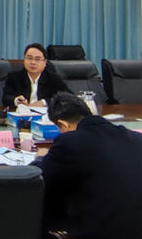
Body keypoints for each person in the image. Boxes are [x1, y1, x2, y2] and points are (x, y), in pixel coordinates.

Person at [32, 92, 142, 239]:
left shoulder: (70, 142)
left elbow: (36, 176)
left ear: (63, 124)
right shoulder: (136, 139)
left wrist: (40, 158)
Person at [2, 42, 71, 108]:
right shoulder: (14, 77)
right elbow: (6, 98)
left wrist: (44, 102)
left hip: (46, 114)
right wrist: (17, 100)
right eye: (29, 58)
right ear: (24, 60)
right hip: (22, 113)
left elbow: (69, 97)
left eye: (37, 59)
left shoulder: (53, 78)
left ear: (45, 63)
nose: (33, 62)